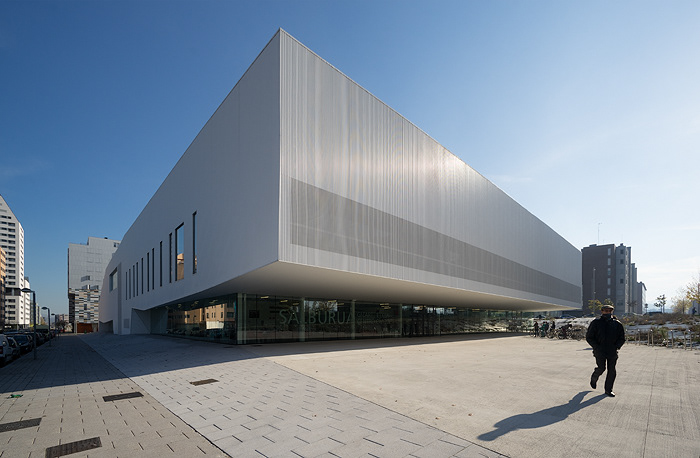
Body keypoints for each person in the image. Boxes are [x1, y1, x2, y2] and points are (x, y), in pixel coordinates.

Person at [586, 305, 625, 397]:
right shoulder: (596, 323)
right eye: (605, 311)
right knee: (601, 368)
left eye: (609, 311)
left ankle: (608, 390)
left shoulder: (617, 324)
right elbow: (589, 337)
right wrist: (596, 347)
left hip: (612, 350)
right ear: (602, 311)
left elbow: (622, 338)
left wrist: (617, 346)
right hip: (600, 350)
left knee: (612, 370)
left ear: (612, 312)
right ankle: (594, 377)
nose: (607, 312)